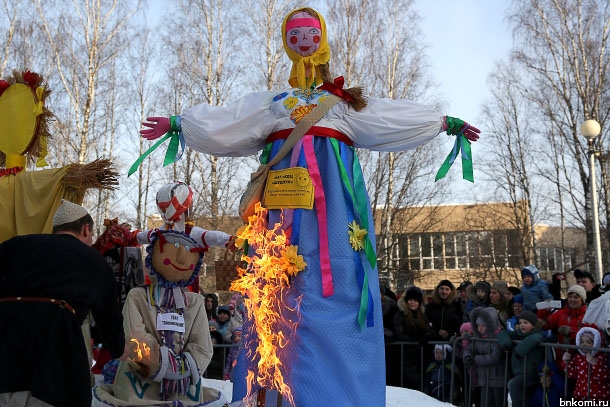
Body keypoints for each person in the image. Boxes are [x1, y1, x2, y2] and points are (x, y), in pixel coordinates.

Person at [139, 7, 480, 405]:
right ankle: (273, 391)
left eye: (310, 33)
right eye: (296, 34)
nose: (304, 40)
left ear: (321, 40)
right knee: (279, 290)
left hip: (334, 214)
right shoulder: (275, 103)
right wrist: (182, 124)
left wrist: (440, 122)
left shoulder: (341, 103)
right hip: (282, 219)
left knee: (335, 289)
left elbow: (387, 116)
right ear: (288, 41)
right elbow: (232, 119)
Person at [0, 199, 125, 407]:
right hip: (54, 349)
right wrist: (118, 349)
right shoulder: (94, 260)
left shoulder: (16, 244)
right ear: (86, 229)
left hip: (4, 344)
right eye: (92, 234)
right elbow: (108, 315)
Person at [92, 230, 225, 406]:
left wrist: (184, 368)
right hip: (140, 384)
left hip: (185, 389)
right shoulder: (138, 296)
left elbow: (202, 343)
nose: (181, 259)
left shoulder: (194, 301)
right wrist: (162, 364)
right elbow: (135, 337)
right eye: (173, 249)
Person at [537, 284, 588, 397]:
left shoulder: (588, 314)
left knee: (579, 392)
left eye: (576, 297)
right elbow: (544, 325)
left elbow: (590, 333)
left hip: (582, 360)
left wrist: (571, 331)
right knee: (565, 391)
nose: (572, 299)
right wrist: (544, 311)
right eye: (570, 296)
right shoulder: (561, 313)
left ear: (582, 299)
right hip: (563, 360)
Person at [498, 311, 546, 407]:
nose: (522, 325)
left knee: (513, 385)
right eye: (520, 323)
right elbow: (502, 334)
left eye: (525, 323)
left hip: (532, 373)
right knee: (524, 396)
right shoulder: (518, 334)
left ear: (533, 325)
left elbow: (532, 340)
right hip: (519, 372)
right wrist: (506, 345)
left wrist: (519, 351)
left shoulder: (538, 334)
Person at [393, 286, 434, 390]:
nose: (413, 303)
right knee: (409, 381)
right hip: (406, 354)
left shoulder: (423, 314)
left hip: (421, 353)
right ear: (406, 301)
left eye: (415, 301)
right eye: (411, 300)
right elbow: (399, 333)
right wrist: (414, 339)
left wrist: (425, 337)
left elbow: (430, 329)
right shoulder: (400, 314)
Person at [463, 307, 507, 407]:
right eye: (478, 325)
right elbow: (470, 348)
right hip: (484, 378)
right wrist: (467, 356)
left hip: (498, 378)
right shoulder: (478, 338)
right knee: (485, 403)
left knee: (499, 403)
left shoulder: (498, 337)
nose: (480, 328)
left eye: (483, 325)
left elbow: (495, 356)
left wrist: (475, 359)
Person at [564, 326, 610, 401]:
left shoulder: (601, 358)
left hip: (599, 396)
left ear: (596, 343)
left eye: (588, 342)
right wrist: (566, 362)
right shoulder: (578, 357)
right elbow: (571, 374)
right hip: (581, 395)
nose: (584, 344)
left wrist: (595, 364)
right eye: (582, 342)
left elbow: (604, 376)